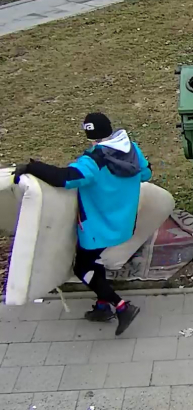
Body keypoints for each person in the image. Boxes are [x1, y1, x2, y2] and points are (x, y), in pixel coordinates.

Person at [14, 113, 150, 335]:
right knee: (94, 262)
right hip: (123, 223)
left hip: (96, 229)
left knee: (83, 267)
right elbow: (146, 173)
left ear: (89, 136)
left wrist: (33, 168)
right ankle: (102, 306)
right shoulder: (132, 149)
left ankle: (121, 306)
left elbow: (65, 178)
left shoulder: (93, 161)